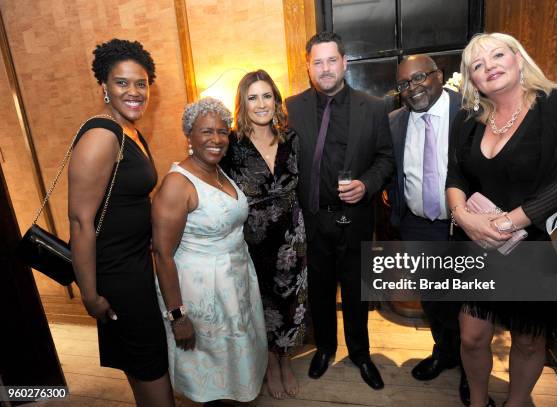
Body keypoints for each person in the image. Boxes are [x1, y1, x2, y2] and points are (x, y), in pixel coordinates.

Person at [446, 32, 557, 407]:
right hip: (479, 246)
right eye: (477, 65)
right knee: (471, 336)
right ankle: (479, 401)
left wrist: (505, 224)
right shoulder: (468, 119)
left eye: (497, 55)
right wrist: (463, 216)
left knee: (528, 339)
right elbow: (456, 175)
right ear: (472, 80)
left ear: (518, 58)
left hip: (539, 249)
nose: (489, 67)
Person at [68, 39, 174, 407]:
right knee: (152, 368)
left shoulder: (131, 132)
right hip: (119, 276)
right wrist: (89, 294)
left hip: (135, 265)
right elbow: (81, 221)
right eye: (122, 82)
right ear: (104, 87)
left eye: (141, 83)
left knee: (141, 367)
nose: (133, 91)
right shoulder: (102, 135)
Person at [285, 31, 394, 390]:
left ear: (345, 63)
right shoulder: (292, 107)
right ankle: (325, 348)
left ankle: (361, 354)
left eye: (332, 60)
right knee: (319, 289)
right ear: (308, 67)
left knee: (356, 289)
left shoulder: (374, 106)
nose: (325, 68)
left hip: (356, 216)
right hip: (313, 217)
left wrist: (367, 184)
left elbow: (385, 158)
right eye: (318, 62)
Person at [152, 97, 267, 405]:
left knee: (233, 365)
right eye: (206, 132)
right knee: (211, 371)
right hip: (202, 294)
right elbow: (162, 254)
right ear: (189, 135)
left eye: (222, 131)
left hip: (235, 282)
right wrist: (177, 316)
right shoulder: (178, 184)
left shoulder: (218, 172)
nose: (216, 139)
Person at [220, 70, 307, 399]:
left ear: (276, 100)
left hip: (292, 235)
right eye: (253, 97)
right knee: (261, 303)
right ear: (243, 103)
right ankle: (271, 364)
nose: (261, 104)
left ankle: (286, 361)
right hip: (252, 239)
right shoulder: (231, 145)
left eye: (267, 96)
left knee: (291, 300)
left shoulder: (291, 138)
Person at [387, 54, 468, 404]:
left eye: (419, 77)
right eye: (404, 83)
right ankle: (445, 352)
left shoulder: (469, 111)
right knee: (434, 299)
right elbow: (387, 163)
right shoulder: (395, 121)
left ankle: (471, 366)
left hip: (466, 226)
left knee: (470, 303)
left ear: (439, 76)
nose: (412, 87)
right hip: (419, 226)